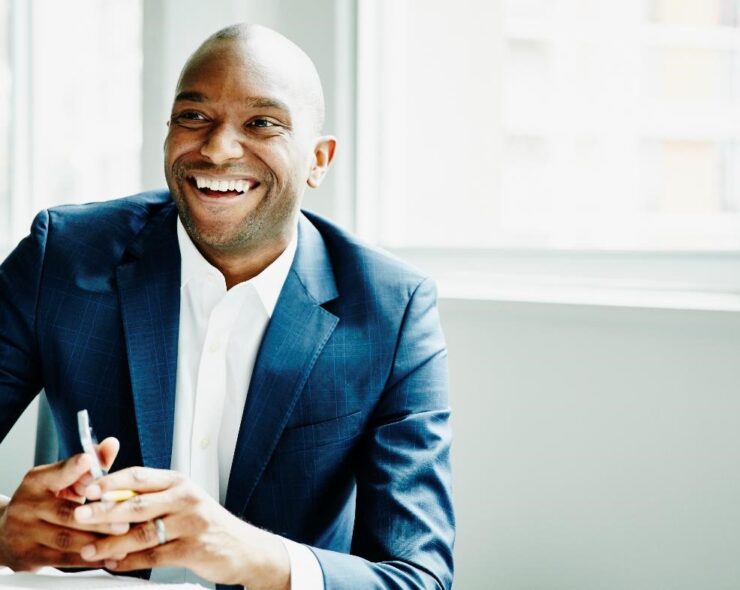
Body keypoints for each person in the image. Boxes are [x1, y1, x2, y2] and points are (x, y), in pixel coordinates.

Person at [0, 23, 454, 590]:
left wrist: (253, 555)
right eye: (194, 117)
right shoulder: (61, 256)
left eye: (262, 123)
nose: (216, 149)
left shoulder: (392, 310)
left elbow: (419, 576)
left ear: (318, 159)